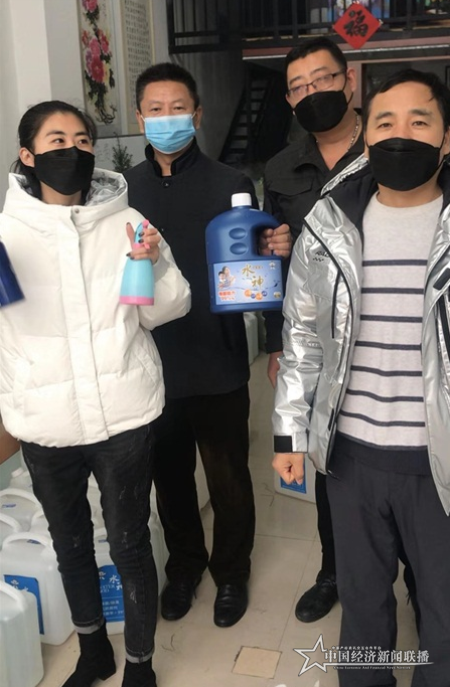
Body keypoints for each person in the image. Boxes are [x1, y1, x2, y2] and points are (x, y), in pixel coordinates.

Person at [0, 100, 191, 687]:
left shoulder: (127, 221)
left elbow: (166, 308)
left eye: (83, 140)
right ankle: (92, 652)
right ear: (28, 155)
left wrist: (154, 265)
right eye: (57, 141)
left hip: (123, 414)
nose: (73, 151)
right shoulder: (6, 234)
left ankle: (140, 664)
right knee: (70, 544)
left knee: (130, 544)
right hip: (45, 417)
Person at [272, 69, 450, 686]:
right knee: (363, 604)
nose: (401, 135)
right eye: (385, 122)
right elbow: (301, 339)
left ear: (446, 138)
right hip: (351, 457)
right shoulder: (329, 226)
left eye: (419, 121)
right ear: (366, 137)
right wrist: (288, 435)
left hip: (438, 460)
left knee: (443, 609)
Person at [125, 62, 289, 628]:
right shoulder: (124, 192)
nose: (166, 118)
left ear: (196, 115)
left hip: (217, 356)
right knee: (169, 477)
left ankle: (232, 572)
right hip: (151, 360)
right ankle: (184, 568)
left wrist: (274, 337)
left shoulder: (230, 183)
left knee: (228, 476)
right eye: (155, 109)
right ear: (139, 117)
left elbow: (258, 269)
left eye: (178, 108)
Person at [262, 36, 364, 624]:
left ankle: (419, 575)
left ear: (349, 80)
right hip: (318, 341)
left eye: (322, 79)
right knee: (328, 456)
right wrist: (276, 345)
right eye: (298, 87)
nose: (311, 93)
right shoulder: (281, 168)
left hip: (392, 331)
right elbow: (272, 263)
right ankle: (334, 569)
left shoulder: (388, 146)